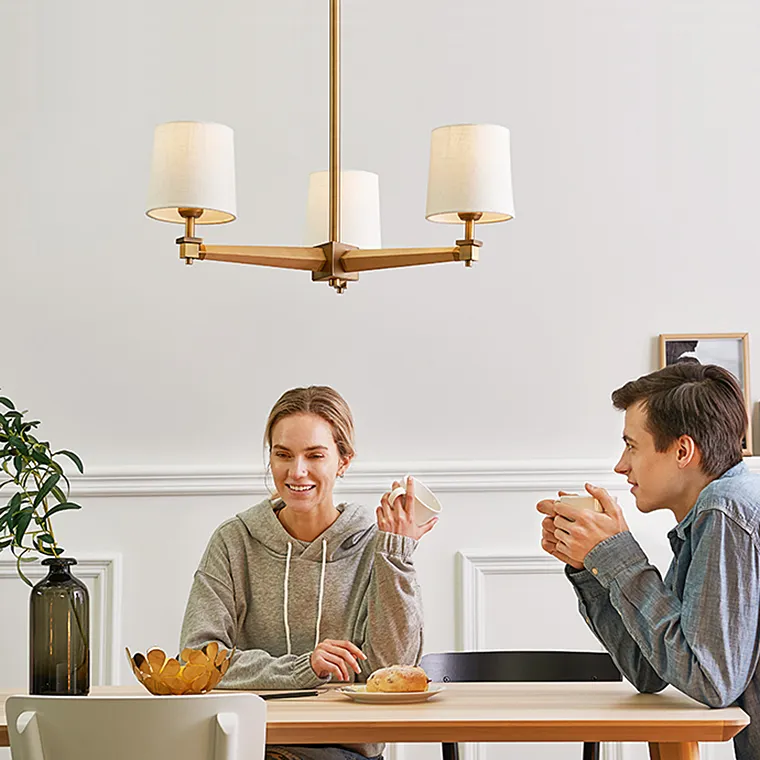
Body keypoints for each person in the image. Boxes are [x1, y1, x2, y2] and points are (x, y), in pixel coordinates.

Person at [180, 385, 437, 760]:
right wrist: (304, 667)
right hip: (254, 745)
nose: (296, 471)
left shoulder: (374, 545)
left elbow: (390, 673)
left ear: (343, 461)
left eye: (315, 455)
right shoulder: (234, 541)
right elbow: (197, 660)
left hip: (345, 750)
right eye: (282, 454)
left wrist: (396, 556)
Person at [537, 362, 760, 759]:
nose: (621, 465)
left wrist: (617, 554)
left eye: (632, 446)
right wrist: (590, 565)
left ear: (682, 451)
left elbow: (712, 680)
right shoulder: (714, 511)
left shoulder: (725, 509)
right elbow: (650, 670)